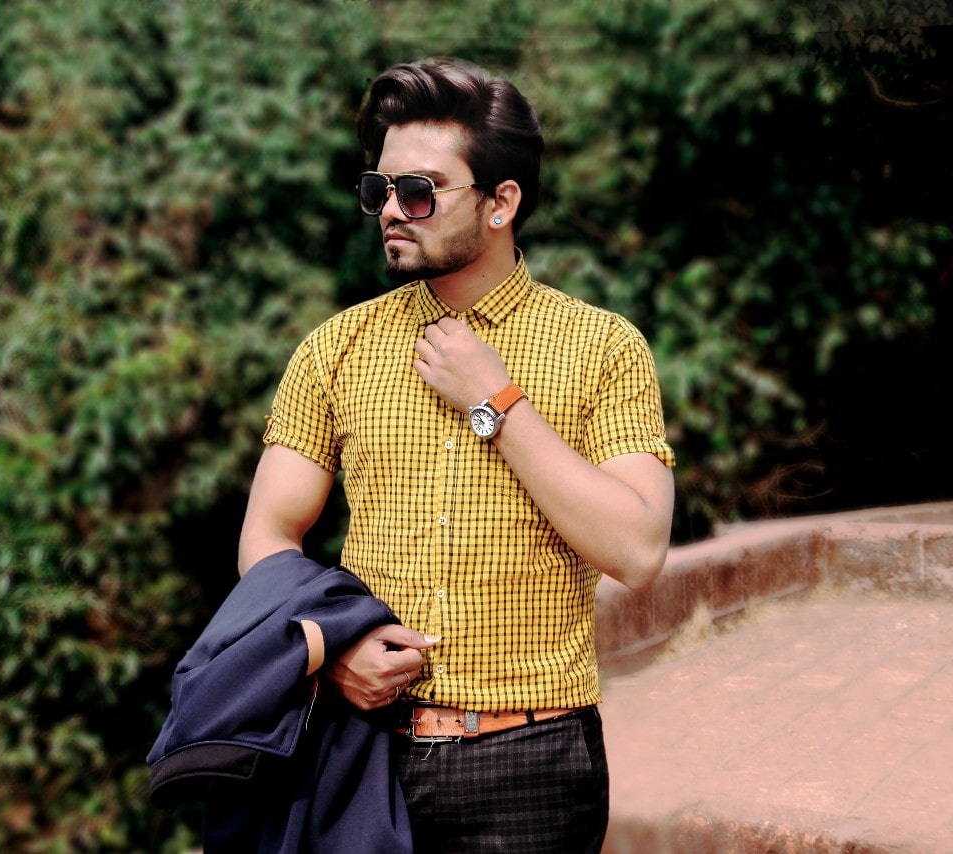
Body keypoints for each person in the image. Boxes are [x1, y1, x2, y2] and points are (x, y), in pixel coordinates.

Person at [237, 56, 675, 852]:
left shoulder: (603, 347)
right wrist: (330, 649)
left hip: (532, 762)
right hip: (359, 750)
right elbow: (268, 534)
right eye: (380, 191)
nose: (392, 213)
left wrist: (496, 402)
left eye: (419, 192)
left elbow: (637, 548)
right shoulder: (337, 349)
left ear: (501, 201)